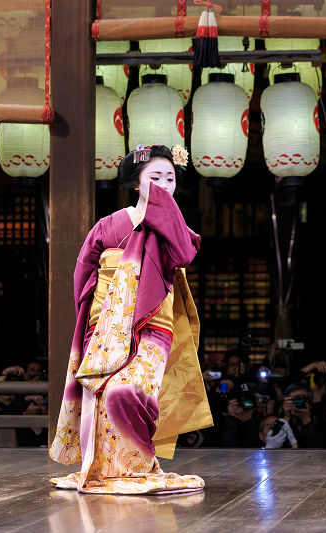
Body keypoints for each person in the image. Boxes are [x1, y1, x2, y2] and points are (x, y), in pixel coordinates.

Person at [48, 144, 213, 494]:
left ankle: (138, 465)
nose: (165, 184)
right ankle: (105, 471)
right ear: (136, 182)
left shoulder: (171, 224)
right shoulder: (110, 224)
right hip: (107, 322)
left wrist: (164, 212)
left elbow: (184, 254)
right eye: (155, 177)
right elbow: (83, 273)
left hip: (154, 323)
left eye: (170, 178)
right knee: (102, 391)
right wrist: (103, 311)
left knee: (129, 390)